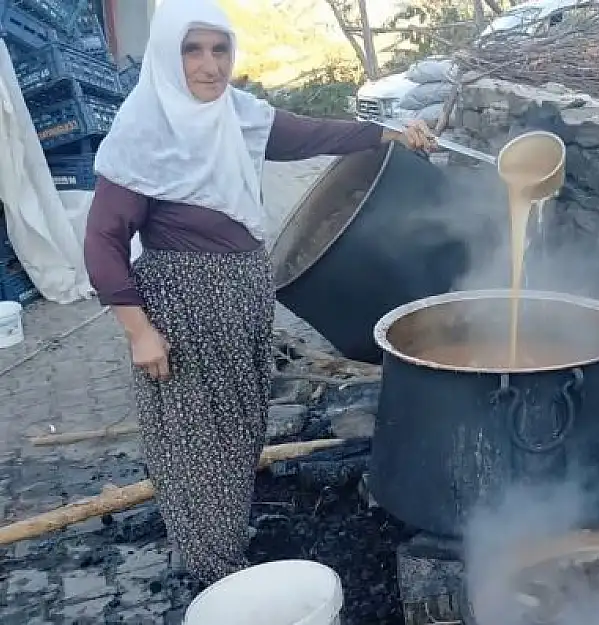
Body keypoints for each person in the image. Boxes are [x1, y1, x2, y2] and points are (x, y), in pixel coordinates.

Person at [83, 0, 435, 587]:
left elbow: (309, 133)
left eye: (220, 49)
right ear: (169, 57)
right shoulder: (144, 131)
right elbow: (102, 242)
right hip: (183, 306)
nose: (209, 64)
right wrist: (140, 332)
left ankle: (222, 539)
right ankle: (212, 568)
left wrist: (387, 133)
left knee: (240, 424)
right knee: (194, 436)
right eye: (192, 50)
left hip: (241, 295)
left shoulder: (234, 114)